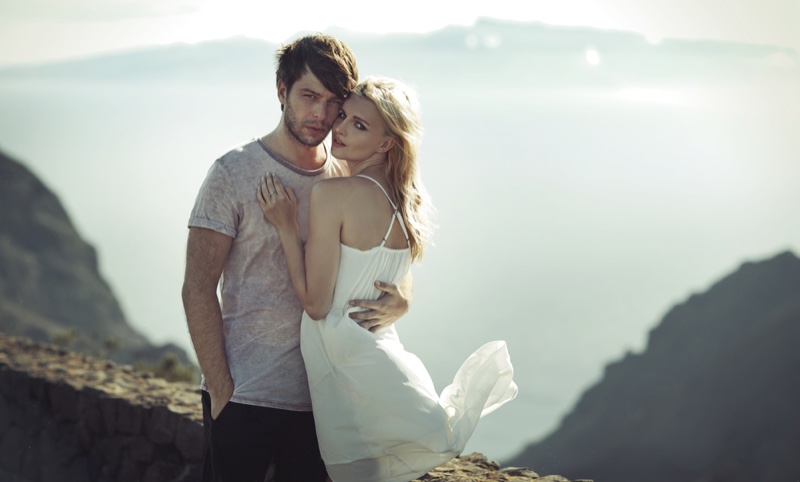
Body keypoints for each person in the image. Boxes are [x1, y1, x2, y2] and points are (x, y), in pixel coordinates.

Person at [258, 76, 518, 482]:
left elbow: (316, 304)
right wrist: (405, 300)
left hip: (344, 366)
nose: (339, 128)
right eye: (343, 116)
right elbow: (390, 278)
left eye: (358, 125)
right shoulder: (405, 202)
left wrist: (287, 229)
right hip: (375, 362)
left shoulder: (333, 195)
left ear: (385, 144)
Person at [182, 35, 412, 482]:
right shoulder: (233, 173)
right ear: (282, 91)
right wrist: (223, 390)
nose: (323, 115)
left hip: (324, 404)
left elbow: (386, 253)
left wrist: (402, 298)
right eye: (310, 96)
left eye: (334, 103)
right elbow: (197, 286)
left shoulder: (345, 174)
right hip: (248, 399)